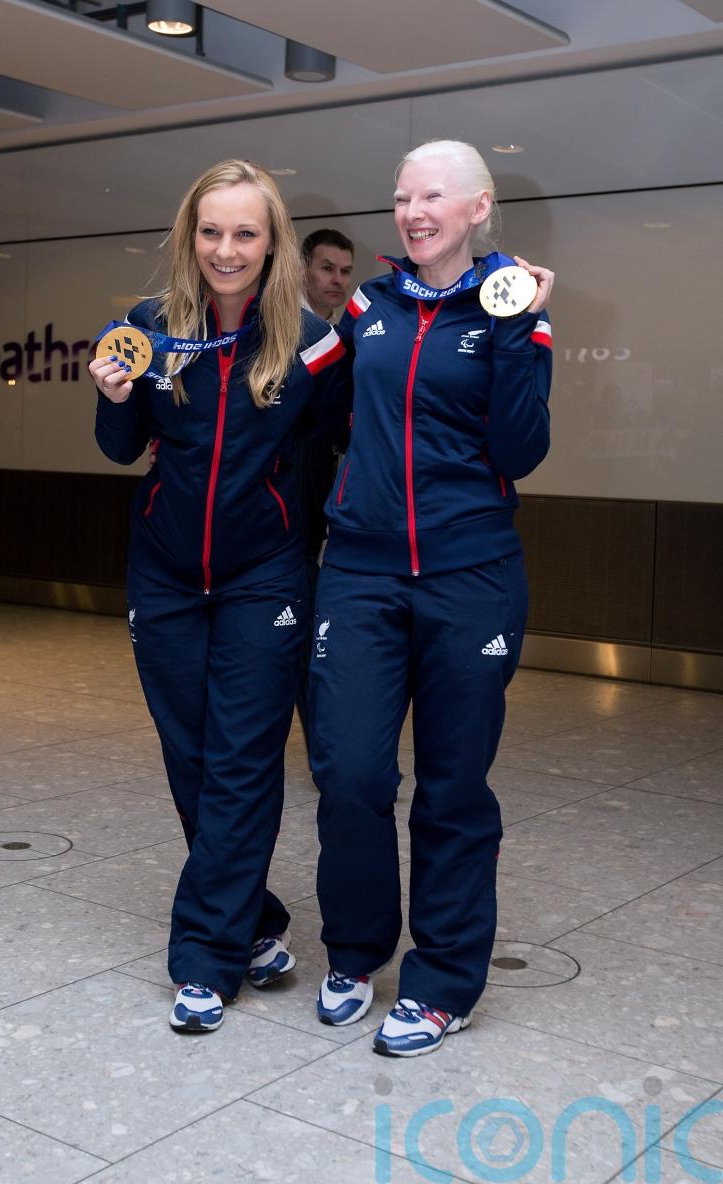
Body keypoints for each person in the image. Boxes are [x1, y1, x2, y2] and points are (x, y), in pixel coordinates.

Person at [90, 159, 350, 1034]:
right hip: (163, 572)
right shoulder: (147, 327)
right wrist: (114, 395)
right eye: (211, 231)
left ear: (272, 242)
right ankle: (255, 919)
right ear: (189, 236)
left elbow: (329, 447)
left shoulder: (312, 343)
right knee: (191, 756)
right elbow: (120, 446)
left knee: (242, 759)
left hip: (264, 576)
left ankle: (204, 960)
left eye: (245, 232)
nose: (226, 249)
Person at [310, 140, 554, 1057]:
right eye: (402, 196)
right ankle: (355, 952)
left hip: (470, 575)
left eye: (433, 196)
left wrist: (517, 330)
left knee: (452, 787)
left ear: (478, 207)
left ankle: (443, 982)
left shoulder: (512, 307)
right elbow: (312, 412)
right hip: (361, 572)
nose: (413, 212)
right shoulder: (369, 305)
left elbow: (521, 449)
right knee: (351, 774)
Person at [294, 229, 355, 749]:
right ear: (301, 269)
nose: (337, 280)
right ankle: (326, 752)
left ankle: (329, 751)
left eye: (345, 271)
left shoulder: (345, 343)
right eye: (326, 268)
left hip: (322, 514)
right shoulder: (279, 335)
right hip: (278, 512)